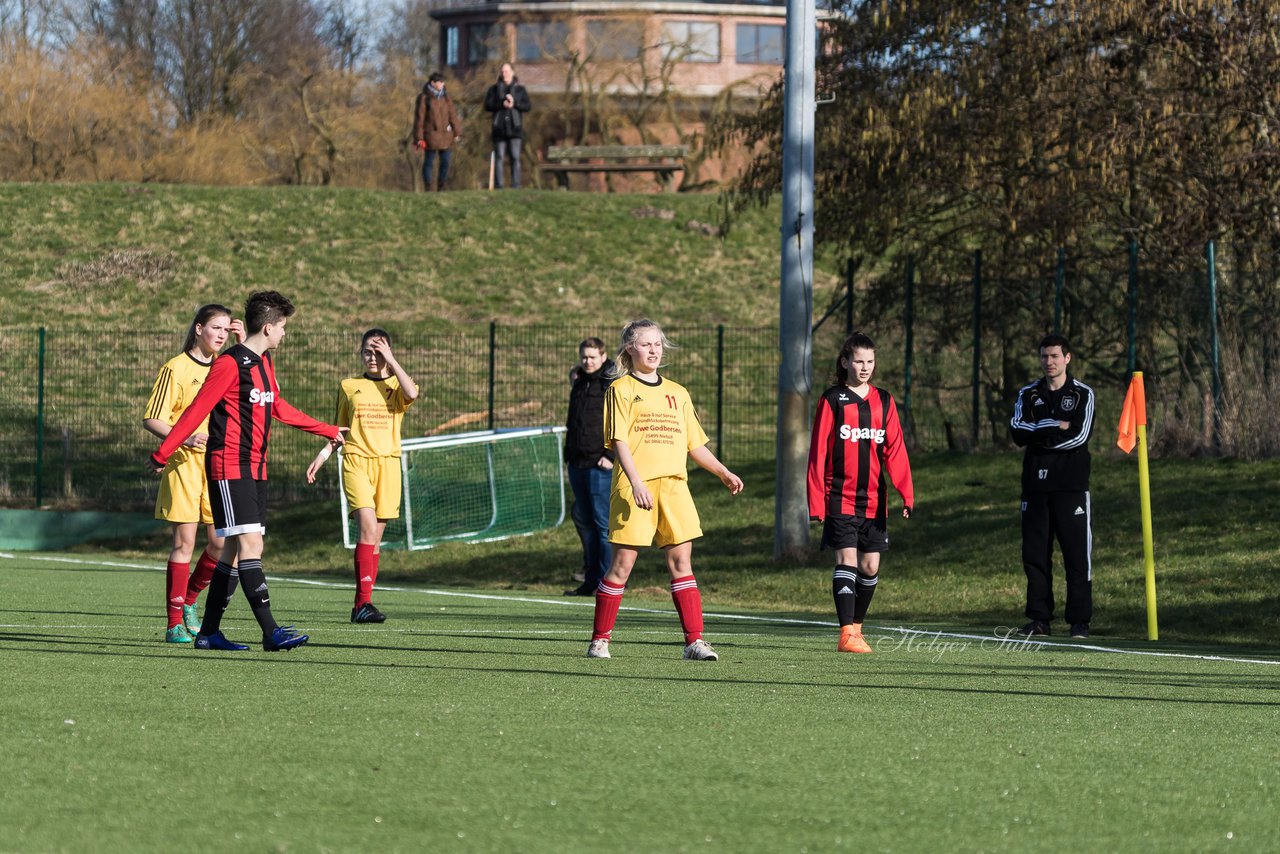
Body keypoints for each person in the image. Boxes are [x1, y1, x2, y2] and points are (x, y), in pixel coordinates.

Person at [149, 291, 345, 652]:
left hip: (256, 468)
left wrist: (327, 429)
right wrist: (164, 452)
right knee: (250, 546)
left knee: (233, 552)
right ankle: (271, 632)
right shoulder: (228, 365)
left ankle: (208, 633)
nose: (285, 334)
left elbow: (279, 408)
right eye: (283, 328)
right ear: (268, 328)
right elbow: (195, 411)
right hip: (229, 465)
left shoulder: (262, 365)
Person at [587, 319, 743, 661]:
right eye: (646, 344)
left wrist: (723, 472)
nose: (654, 350)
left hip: (674, 487)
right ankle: (600, 640)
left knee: (681, 562)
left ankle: (694, 642)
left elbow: (694, 445)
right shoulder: (621, 389)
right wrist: (636, 482)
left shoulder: (678, 392)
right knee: (623, 565)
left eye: (658, 344)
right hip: (635, 488)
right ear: (630, 349)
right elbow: (619, 441)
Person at [142, 304, 244, 643]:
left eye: (225, 330)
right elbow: (152, 419)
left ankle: (188, 601)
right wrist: (184, 435)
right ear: (198, 328)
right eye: (216, 328)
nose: (220, 335)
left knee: (219, 543)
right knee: (184, 544)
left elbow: (259, 385)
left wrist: (243, 344)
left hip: (216, 466)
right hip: (184, 466)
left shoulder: (227, 367)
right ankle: (173, 625)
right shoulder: (176, 368)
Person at [806, 332, 914, 654]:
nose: (865, 367)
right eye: (858, 361)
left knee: (870, 567)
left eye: (870, 361)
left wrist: (906, 493)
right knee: (847, 560)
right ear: (845, 362)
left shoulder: (884, 400)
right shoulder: (831, 399)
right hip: (839, 496)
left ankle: (856, 629)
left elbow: (895, 449)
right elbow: (817, 453)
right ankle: (845, 634)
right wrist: (816, 502)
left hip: (874, 501)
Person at [306, 329, 418, 623]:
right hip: (356, 461)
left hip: (388, 464)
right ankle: (364, 604)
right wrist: (322, 456)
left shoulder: (398, 383)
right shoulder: (349, 386)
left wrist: (391, 360)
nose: (372, 357)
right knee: (367, 528)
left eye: (378, 352)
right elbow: (339, 430)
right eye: (367, 351)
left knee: (376, 539)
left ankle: (360, 606)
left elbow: (413, 393)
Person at [1010, 334, 1096, 639]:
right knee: (1034, 555)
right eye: (1045, 356)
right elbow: (1018, 432)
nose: (1049, 362)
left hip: (1070, 486)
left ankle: (1079, 622)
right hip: (1034, 486)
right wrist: (1051, 425)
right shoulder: (1028, 393)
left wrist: (1039, 434)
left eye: (1055, 356)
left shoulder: (1083, 394)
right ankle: (1039, 620)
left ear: (1067, 358)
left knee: (1076, 555)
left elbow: (1078, 436)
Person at [563, 337, 615, 596]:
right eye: (584, 356)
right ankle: (591, 580)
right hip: (577, 462)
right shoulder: (580, 379)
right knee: (584, 521)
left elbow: (620, 420)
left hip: (600, 464)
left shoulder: (611, 381)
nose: (588, 361)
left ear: (603, 357)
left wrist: (610, 454)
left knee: (602, 524)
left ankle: (609, 582)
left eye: (593, 357)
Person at [484, 63, 531, 189]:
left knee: (515, 157)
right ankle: (499, 185)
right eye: (502, 71)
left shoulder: (520, 89)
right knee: (499, 158)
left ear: (512, 72)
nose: (504, 74)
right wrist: (501, 104)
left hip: (515, 129)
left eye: (507, 71)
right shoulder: (493, 89)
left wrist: (514, 104)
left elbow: (527, 106)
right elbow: (487, 105)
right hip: (499, 129)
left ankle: (516, 185)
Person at [413, 72, 461, 191]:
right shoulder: (424, 98)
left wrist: (457, 132)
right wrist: (419, 138)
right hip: (430, 136)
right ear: (432, 83)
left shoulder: (446, 97)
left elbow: (453, 115)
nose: (442, 84)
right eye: (440, 82)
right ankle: (428, 186)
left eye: (443, 82)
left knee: (445, 162)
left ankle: (441, 185)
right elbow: (419, 118)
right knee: (429, 162)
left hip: (446, 136)